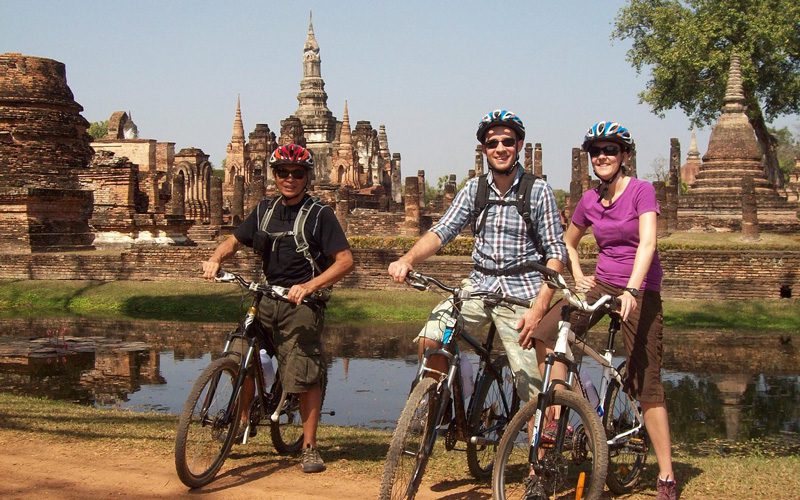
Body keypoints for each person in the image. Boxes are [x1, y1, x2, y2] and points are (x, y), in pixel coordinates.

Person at [531, 121, 677, 500]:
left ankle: (665, 474)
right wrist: (578, 274)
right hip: (602, 282)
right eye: (596, 152)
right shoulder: (589, 199)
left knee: (646, 383)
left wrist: (632, 287)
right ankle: (559, 411)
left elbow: (647, 244)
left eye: (610, 150)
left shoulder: (642, 191)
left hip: (640, 288)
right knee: (548, 333)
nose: (602, 157)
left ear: (624, 155)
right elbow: (569, 242)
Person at [388, 109, 567, 406]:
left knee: (534, 393)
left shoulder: (537, 191)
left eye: (507, 142)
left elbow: (555, 252)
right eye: (492, 143)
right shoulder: (475, 189)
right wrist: (407, 259)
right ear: (484, 149)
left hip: (521, 294)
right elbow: (443, 230)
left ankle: (545, 438)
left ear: (519, 145)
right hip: (479, 286)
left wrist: (540, 306)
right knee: (429, 340)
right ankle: (440, 405)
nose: (500, 148)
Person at [202, 144, 354, 474]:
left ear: (307, 177)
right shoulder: (265, 210)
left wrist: (310, 286)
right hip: (267, 296)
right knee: (239, 353)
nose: (289, 178)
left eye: (297, 173)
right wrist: (215, 258)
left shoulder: (320, 215)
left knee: (302, 369)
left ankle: (310, 446)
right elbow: (235, 239)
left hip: (301, 303)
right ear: (274, 176)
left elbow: (345, 262)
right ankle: (243, 418)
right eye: (283, 172)